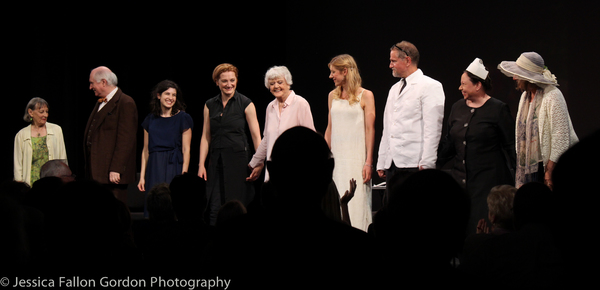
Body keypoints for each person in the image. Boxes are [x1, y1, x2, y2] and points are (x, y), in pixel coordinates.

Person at [438, 58, 516, 235]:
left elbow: (510, 146)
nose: (460, 88)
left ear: (478, 85)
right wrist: (431, 164)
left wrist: (517, 178)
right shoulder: (458, 107)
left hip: (487, 183)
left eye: (463, 84)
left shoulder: (497, 109)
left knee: (484, 227)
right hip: (462, 183)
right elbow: (450, 143)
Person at [376, 41, 445, 202]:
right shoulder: (394, 89)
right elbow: (388, 127)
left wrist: (427, 162)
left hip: (414, 163)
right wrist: (382, 160)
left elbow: (433, 128)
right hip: (393, 164)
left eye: (393, 61)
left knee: (413, 212)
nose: (390, 65)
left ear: (407, 60)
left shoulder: (430, 86)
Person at [498, 52, 578, 189]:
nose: (514, 78)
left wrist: (550, 171)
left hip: (553, 165)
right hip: (532, 166)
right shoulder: (524, 97)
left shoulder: (552, 95)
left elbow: (561, 136)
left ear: (528, 77)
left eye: (519, 74)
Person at [198, 64, 262, 225]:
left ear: (237, 81)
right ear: (217, 82)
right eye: (224, 81)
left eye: (232, 80)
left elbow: (256, 137)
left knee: (237, 207)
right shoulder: (209, 105)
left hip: (239, 162)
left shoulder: (246, 103)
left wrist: (259, 162)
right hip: (216, 162)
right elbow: (206, 137)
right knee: (214, 208)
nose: (229, 84)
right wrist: (201, 164)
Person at [325, 54, 376, 232]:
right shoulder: (332, 96)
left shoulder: (366, 95)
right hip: (337, 160)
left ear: (345, 71)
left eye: (334, 72)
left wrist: (368, 162)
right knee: (335, 200)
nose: (331, 76)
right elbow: (329, 128)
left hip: (356, 159)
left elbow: (370, 130)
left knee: (357, 202)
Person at [247, 66, 316, 182]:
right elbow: (266, 139)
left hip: (294, 168)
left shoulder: (300, 103)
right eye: (272, 83)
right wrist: (254, 163)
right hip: (273, 168)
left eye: (280, 82)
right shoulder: (270, 107)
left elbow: (310, 138)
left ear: (288, 83)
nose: (276, 86)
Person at [138, 80, 193, 218]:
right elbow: (145, 150)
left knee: (172, 203)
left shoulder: (183, 118)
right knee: (153, 204)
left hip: (173, 165)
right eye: (167, 93)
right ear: (158, 96)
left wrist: (184, 175)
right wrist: (142, 177)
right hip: (154, 166)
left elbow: (186, 149)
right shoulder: (150, 120)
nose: (171, 98)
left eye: (173, 95)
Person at [84, 66, 138, 205]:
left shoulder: (125, 102)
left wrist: (116, 168)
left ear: (103, 82)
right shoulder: (100, 102)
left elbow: (126, 139)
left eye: (92, 83)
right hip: (98, 171)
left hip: (112, 173)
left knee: (114, 213)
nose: (90, 87)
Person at [14, 97, 68, 186]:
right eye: (41, 112)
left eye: (47, 111)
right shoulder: (21, 135)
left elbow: (63, 158)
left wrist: (64, 180)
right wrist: (19, 187)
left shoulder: (56, 130)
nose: (45, 115)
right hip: (30, 183)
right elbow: (18, 166)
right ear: (31, 112)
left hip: (52, 183)